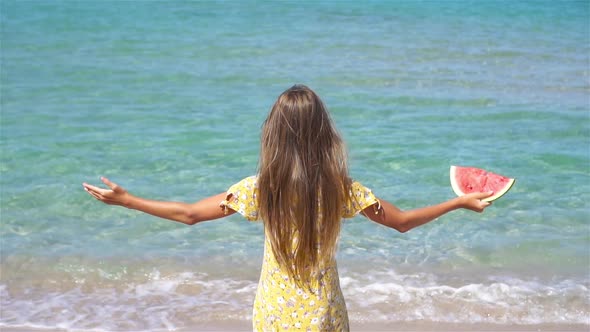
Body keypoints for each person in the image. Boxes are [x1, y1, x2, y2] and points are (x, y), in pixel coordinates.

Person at [83, 84, 492, 331]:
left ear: (274, 134)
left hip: (274, 317)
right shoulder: (341, 190)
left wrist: (129, 201)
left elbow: (189, 214)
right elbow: (402, 223)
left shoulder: (262, 190)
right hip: (325, 316)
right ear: (323, 132)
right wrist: (457, 201)